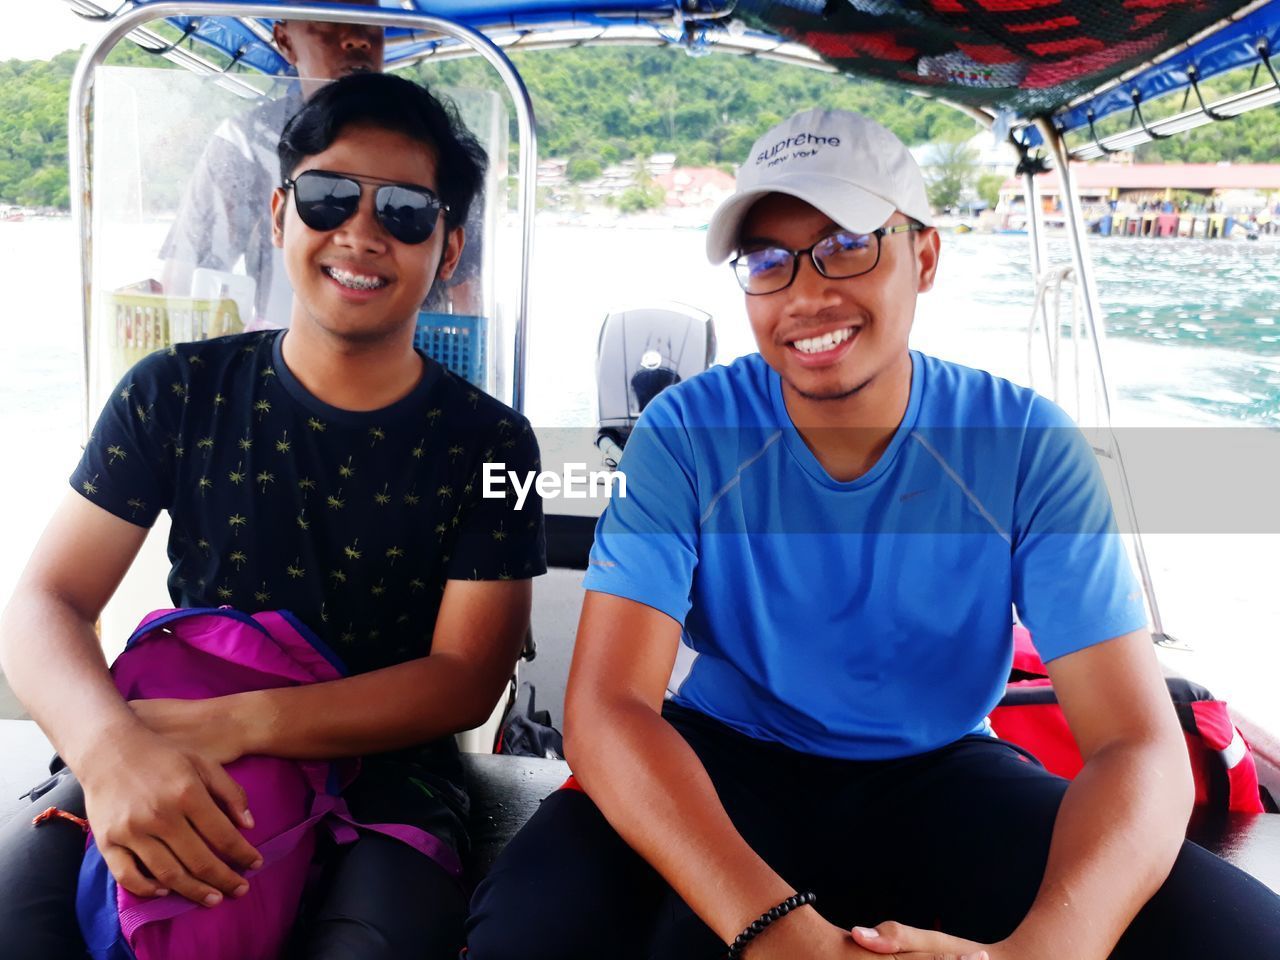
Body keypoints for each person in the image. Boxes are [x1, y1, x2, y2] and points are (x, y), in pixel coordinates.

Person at [465, 108, 1280, 959]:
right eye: (768, 261)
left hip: (943, 768)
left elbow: (1135, 742)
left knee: (1245, 940)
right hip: (729, 759)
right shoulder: (689, 432)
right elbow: (608, 711)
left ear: (924, 258)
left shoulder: (1021, 445)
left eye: (848, 242)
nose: (808, 292)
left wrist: (1047, 948)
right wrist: (775, 931)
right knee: (528, 931)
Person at [0, 72, 545, 960]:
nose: (362, 234)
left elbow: (467, 679)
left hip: (388, 775)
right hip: (165, 738)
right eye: (331, 197)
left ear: (448, 250)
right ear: (279, 213)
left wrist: (241, 723)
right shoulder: (172, 392)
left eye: (406, 211)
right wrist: (106, 751)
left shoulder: (500, 445)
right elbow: (44, 602)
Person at [160, 3, 385, 329]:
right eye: (329, 18)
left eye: (371, 20)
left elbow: (466, 288)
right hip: (277, 347)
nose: (356, 38)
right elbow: (186, 275)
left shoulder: (430, 145)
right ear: (285, 41)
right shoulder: (248, 142)